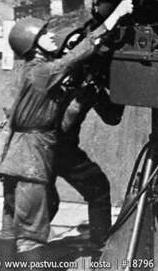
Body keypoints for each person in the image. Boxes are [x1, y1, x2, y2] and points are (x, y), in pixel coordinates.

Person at [0, 0, 133, 263]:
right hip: (38, 151)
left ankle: (4, 266)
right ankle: (99, 249)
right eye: (44, 35)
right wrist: (114, 17)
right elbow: (75, 56)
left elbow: (112, 115)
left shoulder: (37, 71)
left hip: (29, 151)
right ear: (34, 46)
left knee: (18, 217)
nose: (52, 37)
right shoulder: (44, 73)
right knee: (31, 228)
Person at [49, 76, 125, 249]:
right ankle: (100, 244)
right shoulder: (75, 80)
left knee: (47, 202)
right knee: (47, 202)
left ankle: (16, 251)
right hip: (51, 145)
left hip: (57, 147)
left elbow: (112, 116)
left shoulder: (88, 85)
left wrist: (115, 87)